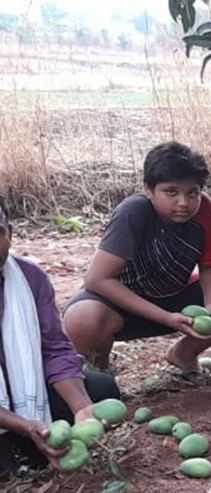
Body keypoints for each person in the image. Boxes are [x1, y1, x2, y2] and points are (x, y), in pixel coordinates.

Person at [63, 141, 211, 380]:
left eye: (192, 192)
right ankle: (100, 377)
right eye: (171, 192)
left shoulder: (204, 209)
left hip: (174, 298)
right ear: (148, 190)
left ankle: (184, 353)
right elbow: (97, 280)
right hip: (123, 305)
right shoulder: (134, 212)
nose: (183, 202)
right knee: (82, 318)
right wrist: (165, 318)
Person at [0, 197, 120, 476]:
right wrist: (25, 425)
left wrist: (81, 408)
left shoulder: (29, 277)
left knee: (101, 389)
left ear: (10, 233)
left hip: (20, 397)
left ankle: (27, 443)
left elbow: (54, 350)